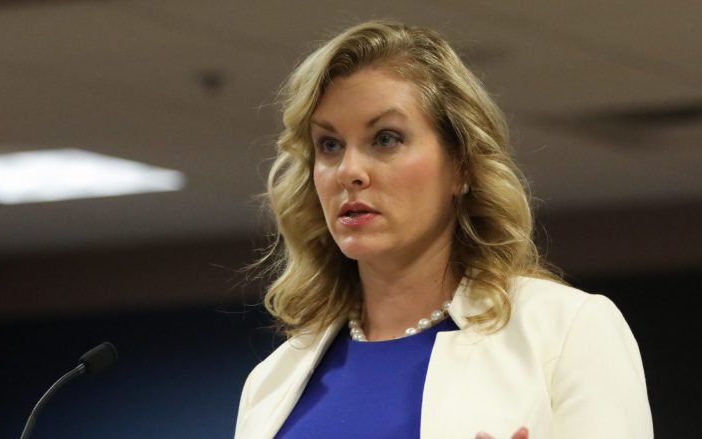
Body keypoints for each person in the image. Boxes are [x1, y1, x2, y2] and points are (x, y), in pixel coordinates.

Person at [236, 20, 652, 439]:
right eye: (329, 145)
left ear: (461, 165)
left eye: (385, 139)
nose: (349, 171)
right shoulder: (270, 382)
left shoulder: (566, 331)